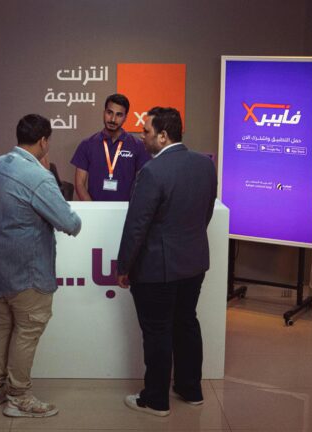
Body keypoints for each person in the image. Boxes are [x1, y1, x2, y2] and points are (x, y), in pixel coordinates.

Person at [0, 114, 82, 418]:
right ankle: (19, 397)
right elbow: (69, 223)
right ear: (43, 141)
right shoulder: (37, 176)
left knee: (0, 325)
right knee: (27, 329)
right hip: (26, 270)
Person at [116, 107, 218, 417]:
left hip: (157, 269)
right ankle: (191, 389)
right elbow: (206, 214)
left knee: (158, 331)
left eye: (146, 131)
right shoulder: (205, 165)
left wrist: (123, 267)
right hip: (194, 263)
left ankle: (156, 399)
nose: (142, 136)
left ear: (162, 136)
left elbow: (137, 225)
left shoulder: (152, 171)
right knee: (186, 324)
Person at [71, 93, 151, 201]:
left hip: (126, 212)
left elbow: (145, 184)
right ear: (104, 113)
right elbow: (79, 184)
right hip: (95, 211)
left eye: (119, 115)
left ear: (125, 118)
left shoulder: (138, 146)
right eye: (109, 113)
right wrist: (92, 209)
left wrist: (132, 209)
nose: (113, 119)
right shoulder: (87, 144)